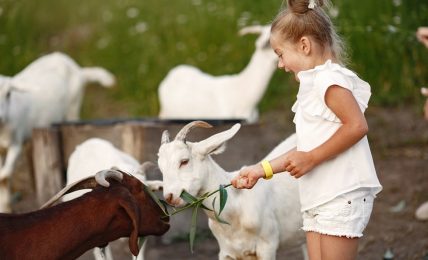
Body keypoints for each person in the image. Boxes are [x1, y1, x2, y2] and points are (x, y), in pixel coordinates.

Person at [231, 0, 382, 259]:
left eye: (280, 54)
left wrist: (311, 158)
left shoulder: (330, 80)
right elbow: (302, 149)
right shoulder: (313, 86)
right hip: (319, 196)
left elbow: (357, 126)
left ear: (304, 45)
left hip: (341, 194)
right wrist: (259, 170)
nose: (280, 64)